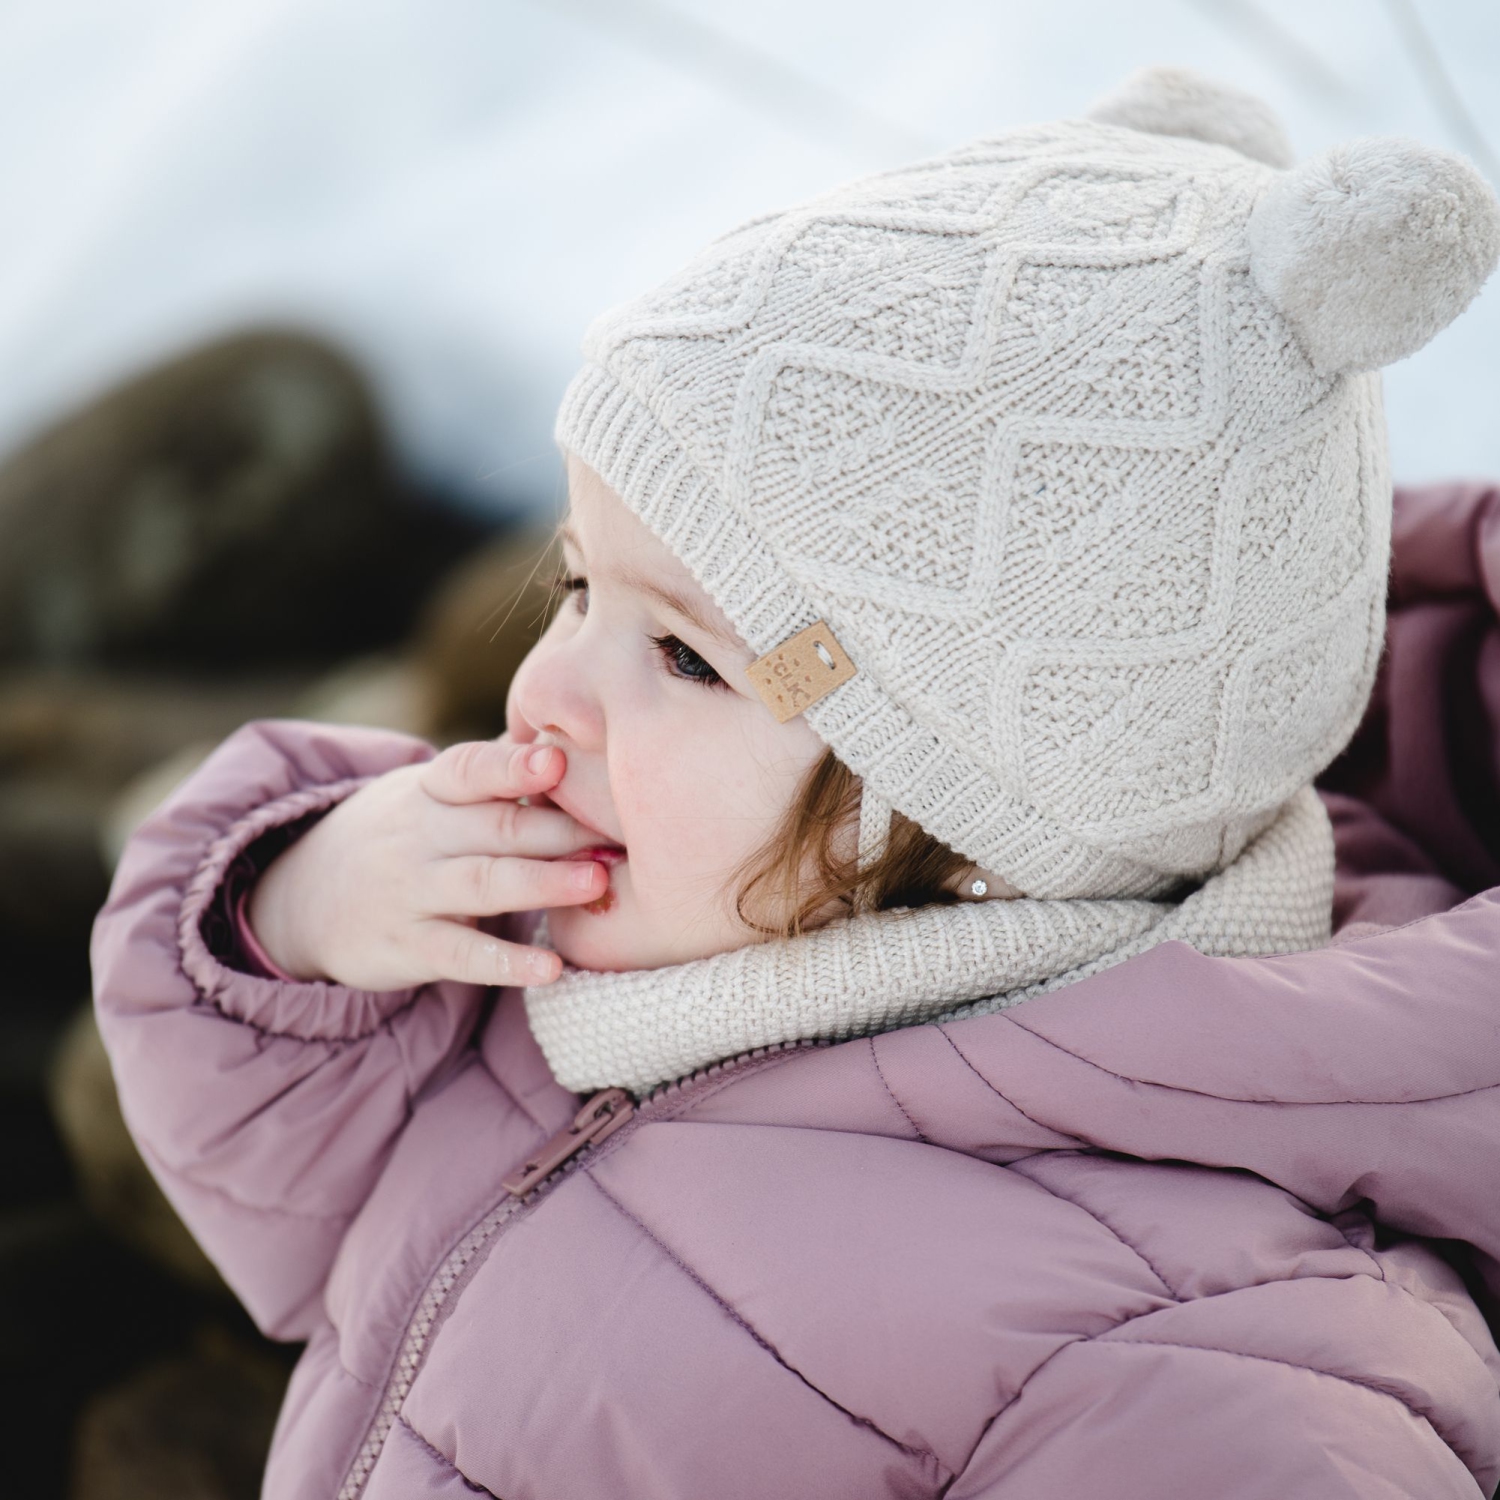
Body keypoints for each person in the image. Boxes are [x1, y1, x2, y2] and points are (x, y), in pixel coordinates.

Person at [92, 67, 1500, 1498]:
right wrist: (305, 910)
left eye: (687, 659)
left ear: (971, 831)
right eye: (577, 588)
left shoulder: (1213, 1360)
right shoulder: (606, 939)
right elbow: (281, 1189)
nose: (541, 690)